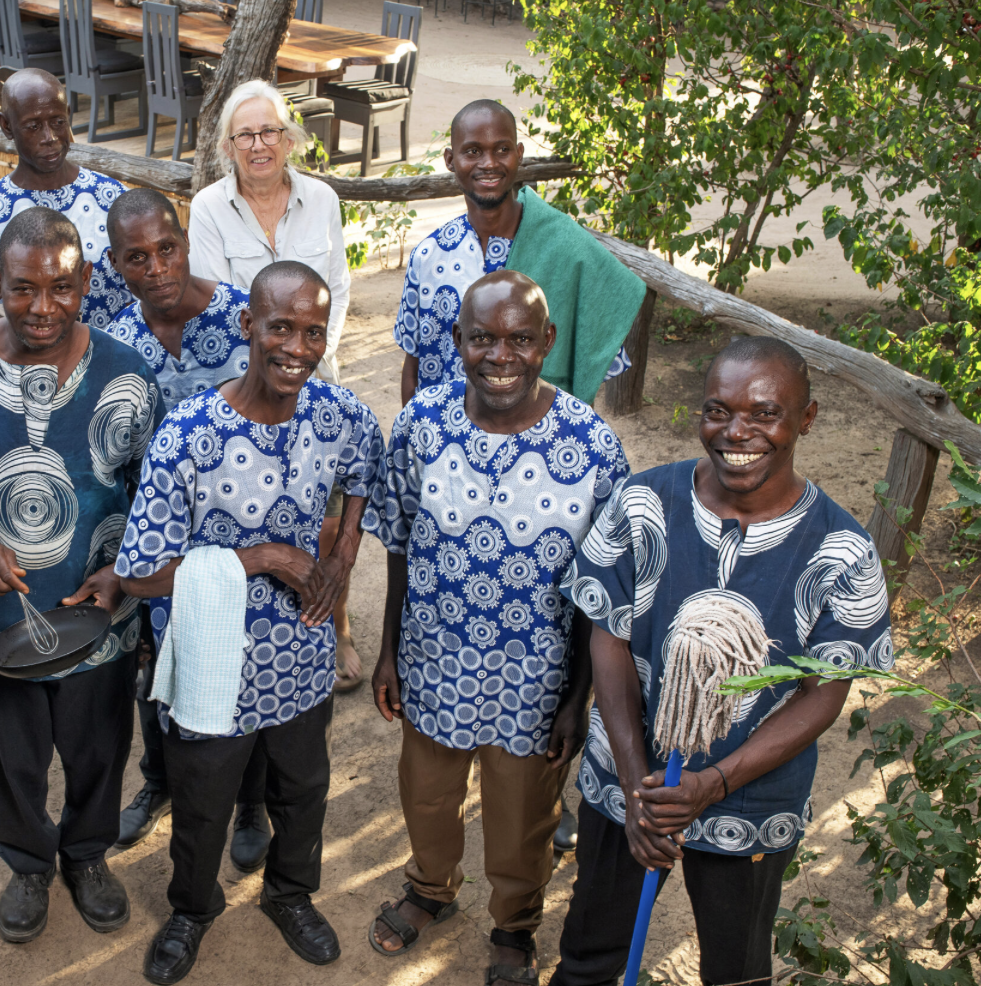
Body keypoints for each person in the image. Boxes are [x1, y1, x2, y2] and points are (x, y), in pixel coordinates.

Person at [553, 336, 893, 986]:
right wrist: (634, 787)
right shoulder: (642, 505)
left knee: (736, 968)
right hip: (627, 779)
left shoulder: (843, 553)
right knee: (592, 952)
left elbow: (824, 693)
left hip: (753, 797)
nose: (737, 432)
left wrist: (713, 784)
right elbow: (610, 638)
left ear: (808, 417)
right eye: (718, 410)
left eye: (764, 413)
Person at [0, 207, 163, 945]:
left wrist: (124, 570)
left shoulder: (127, 374)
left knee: (99, 748)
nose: (42, 308)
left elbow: (159, 491)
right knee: (9, 756)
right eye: (22, 289)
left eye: (60, 288)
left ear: (85, 284)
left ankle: (85, 858)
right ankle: (26, 863)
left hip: (99, 616)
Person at [116, 261, 385, 985]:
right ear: (247, 327)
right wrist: (262, 557)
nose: (297, 346)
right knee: (203, 802)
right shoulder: (191, 433)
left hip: (301, 656)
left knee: (302, 788)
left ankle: (290, 896)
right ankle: (192, 910)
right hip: (214, 662)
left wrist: (347, 544)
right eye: (280, 327)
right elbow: (140, 571)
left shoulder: (336, 412)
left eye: (312, 331)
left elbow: (366, 467)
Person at [363, 271, 629, 985]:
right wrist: (387, 652)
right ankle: (429, 889)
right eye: (482, 337)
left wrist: (579, 698)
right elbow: (397, 539)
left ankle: (514, 925)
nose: (500, 354)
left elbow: (602, 593)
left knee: (523, 818)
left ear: (546, 342)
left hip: (535, 679)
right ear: (457, 342)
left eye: (519, 338)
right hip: (433, 658)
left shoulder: (591, 445)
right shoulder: (423, 424)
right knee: (427, 795)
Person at [186, 77, 361, 868]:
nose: (259, 145)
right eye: (244, 134)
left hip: (312, 394)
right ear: (228, 147)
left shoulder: (320, 201)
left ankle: (333, 632)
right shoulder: (208, 210)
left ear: (291, 138)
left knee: (321, 534)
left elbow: (341, 296)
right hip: (243, 404)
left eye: (271, 132)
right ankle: (246, 799)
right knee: (248, 555)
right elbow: (225, 310)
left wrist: (307, 374)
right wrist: (266, 387)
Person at [101, 187, 252, 852]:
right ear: (116, 264)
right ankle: (157, 780)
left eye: (167, 249)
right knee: (153, 667)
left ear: (187, 243)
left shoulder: (249, 318)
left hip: (246, 538)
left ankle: (254, 806)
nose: (157, 268)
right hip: (155, 545)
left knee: (247, 668)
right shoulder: (115, 346)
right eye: (138, 258)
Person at [396, 100, 642, 408]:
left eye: (502, 149)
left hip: (537, 444)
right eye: (473, 151)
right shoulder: (428, 256)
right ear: (450, 159)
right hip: (445, 442)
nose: (488, 163)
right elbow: (413, 367)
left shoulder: (566, 248)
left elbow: (601, 335)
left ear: (519, 154)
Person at [0, 68, 129, 331]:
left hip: (112, 366)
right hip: (18, 371)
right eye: (33, 126)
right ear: (6, 126)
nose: (50, 138)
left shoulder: (114, 200)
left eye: (58, 121)